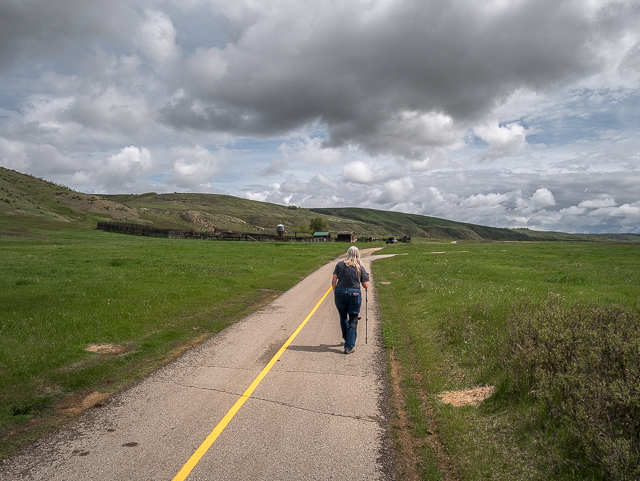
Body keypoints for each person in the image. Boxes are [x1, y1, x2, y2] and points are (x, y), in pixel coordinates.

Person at [332, 246, 370, 354]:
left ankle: (346, 337)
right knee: (353, 318)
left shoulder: (339, 265)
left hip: (340, 292)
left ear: (347, 253)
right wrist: (367, 278)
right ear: (358, 254)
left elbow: (334, 280)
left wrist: (336, 292)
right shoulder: (360, 267)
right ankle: (349, 346)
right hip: (354, 294)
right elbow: (365, 285)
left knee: (343, 316)